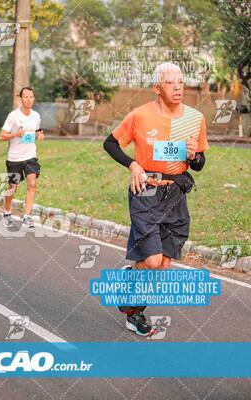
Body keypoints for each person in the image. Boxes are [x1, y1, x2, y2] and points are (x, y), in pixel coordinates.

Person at [103, 62, 209, 336]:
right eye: (171, 83)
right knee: (152, 261)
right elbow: (110, 143)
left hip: (175, 194)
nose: (178, 88)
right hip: (146, 191)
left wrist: (193, 156)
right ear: (157, 88)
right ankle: (135, 312)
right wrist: (133, 165)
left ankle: (130, 283)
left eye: (181, 82)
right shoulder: (140, 115)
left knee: (161, 265)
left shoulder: (195, 118)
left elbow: (199, 163)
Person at [0, 87, 45, 228]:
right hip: (14, 157)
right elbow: (1, 136)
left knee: (32, 184)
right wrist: (15, 134)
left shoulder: (36, 116)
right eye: (26, 97)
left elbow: (37, 129)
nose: (29, 99)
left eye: (31, 97)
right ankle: (7, 212)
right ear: (21, 98)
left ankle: (26, 216)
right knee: (12, 187)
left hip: (30, 156)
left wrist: (40, 134)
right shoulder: (13, 116)